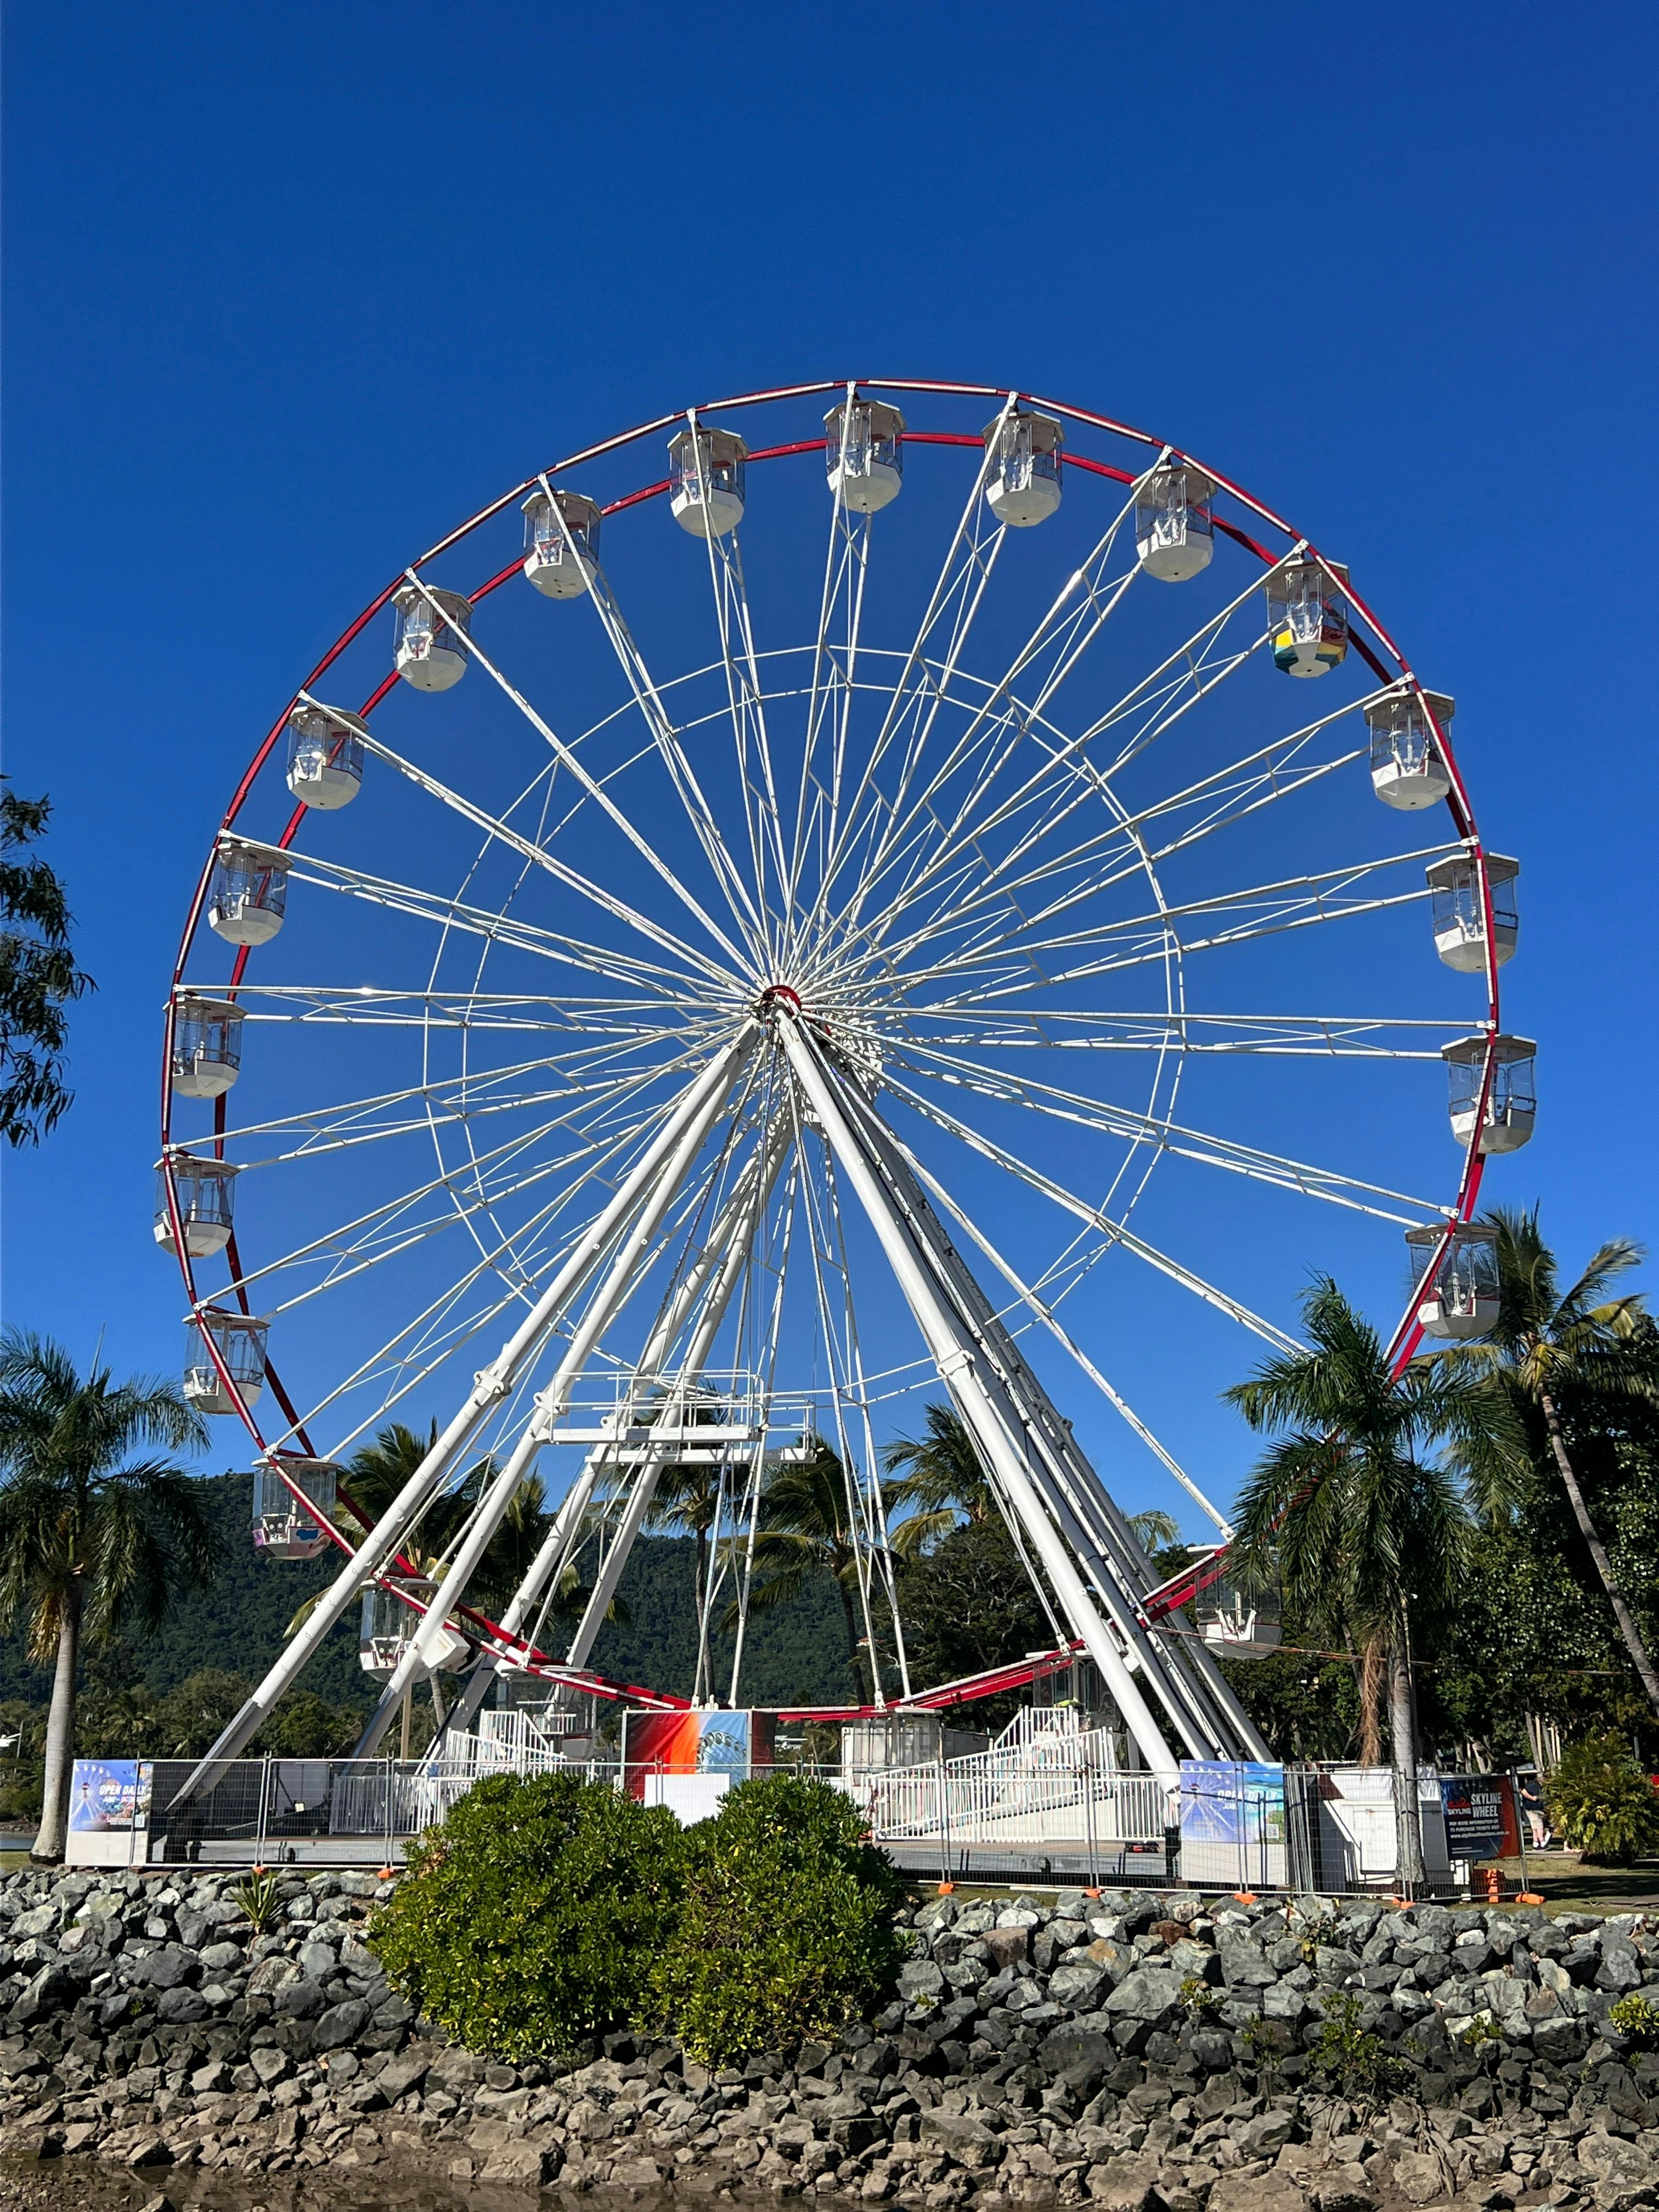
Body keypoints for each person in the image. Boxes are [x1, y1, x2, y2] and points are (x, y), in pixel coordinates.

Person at [1517, 1769, 1551, 1850]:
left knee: (1535, 1828)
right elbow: (1524, 1792)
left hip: (1537, 1810)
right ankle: (1542, 1843)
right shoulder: (1533, 1785)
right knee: (1539, 1827)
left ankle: (1536, 1843)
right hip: (1532, 1810)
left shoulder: (1539, 1787)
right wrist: (1532, 1798)